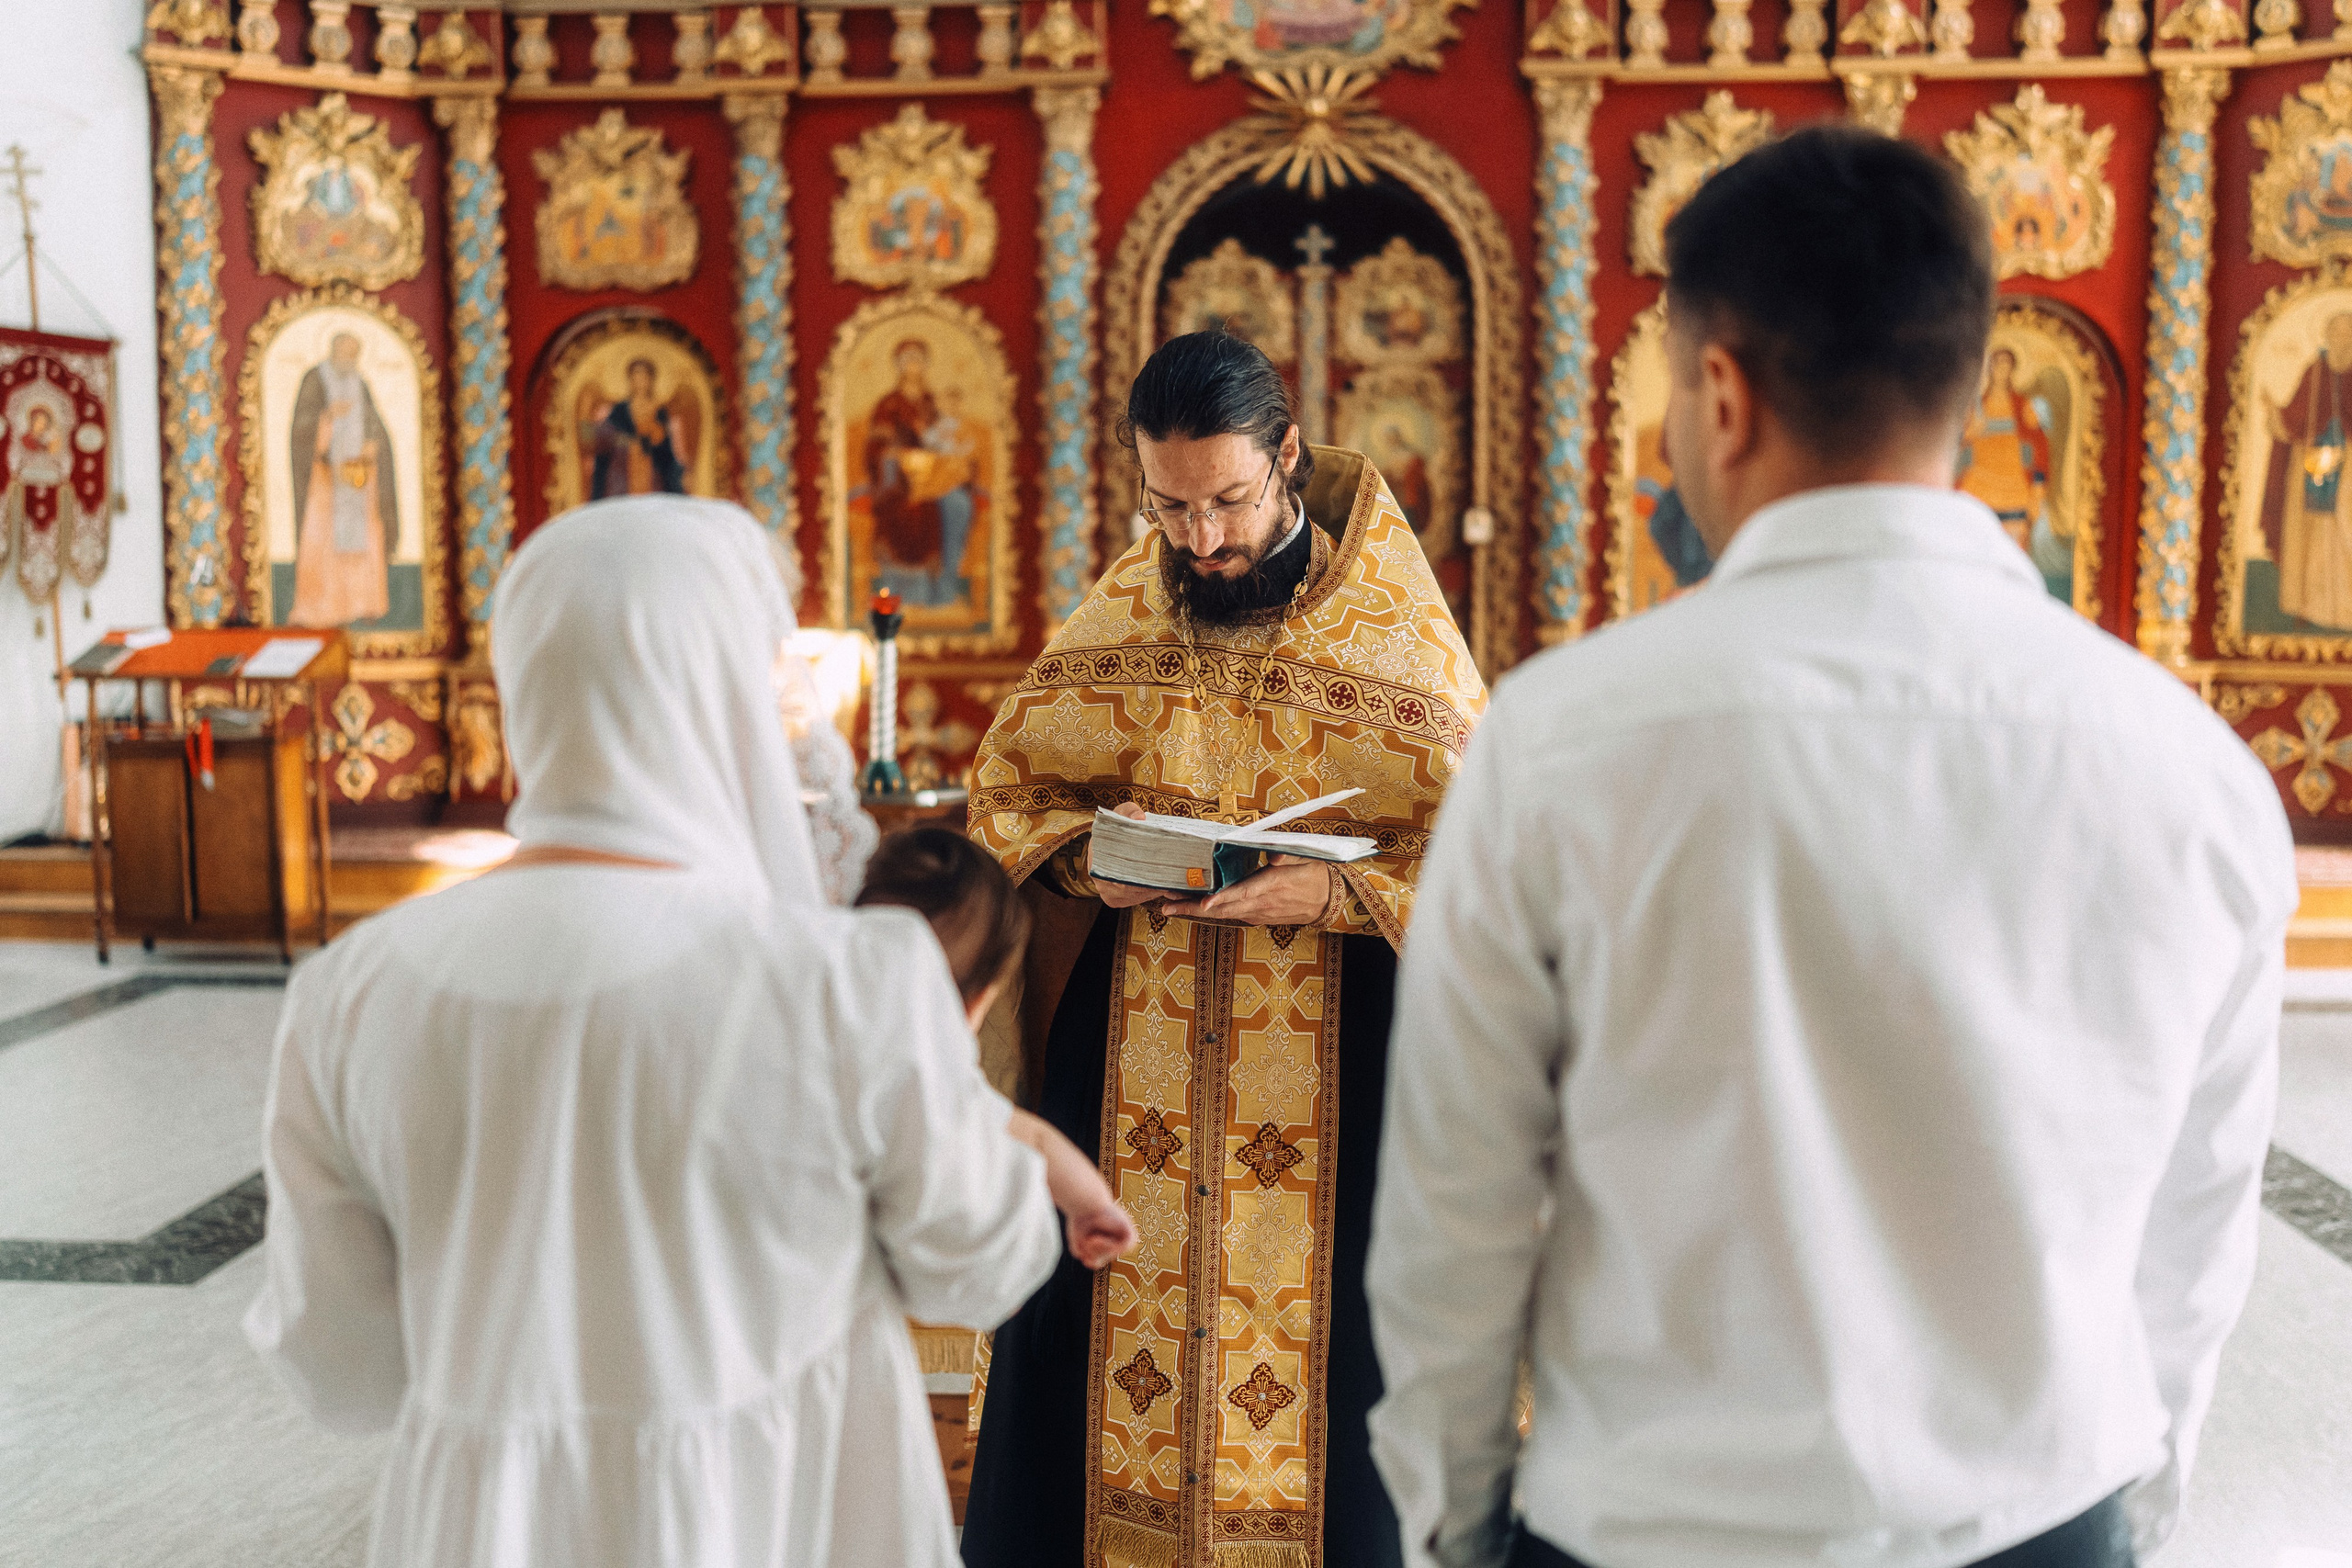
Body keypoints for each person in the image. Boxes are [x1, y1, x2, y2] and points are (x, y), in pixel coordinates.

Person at [1366, 125, 2296, 1568]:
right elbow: (2197, 1234)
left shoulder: (1557, 743)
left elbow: (1457, 1211)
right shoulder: (2194, 771)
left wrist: (1454, 1512)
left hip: (1645, 1527)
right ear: (1974, 381)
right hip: (2038, 1516)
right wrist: (2126, 1502)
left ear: (1721, 394)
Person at [244, 495, 1063, 1568]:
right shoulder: (846, 981)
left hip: (483, 1529)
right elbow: (980, 1266)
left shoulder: (350, 989)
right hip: (778, 1516)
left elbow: (338, 1362)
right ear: (724, 692)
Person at [960, 330, 1487, 1568]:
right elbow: (1004, 795)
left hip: (1339, 1109)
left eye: (1230, 501)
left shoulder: (1395, 636)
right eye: (1171, 505)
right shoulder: (1128, 610)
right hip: (1132, 1087)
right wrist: (1090, 855)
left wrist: (1334, 895)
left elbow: (1492, 855)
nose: (1201, 539)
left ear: (1289, 457)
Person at [288, 331, 396, 627]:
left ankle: (363, 603)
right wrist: (327, 419)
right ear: (335, 351)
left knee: (364, 536)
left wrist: (373, 444)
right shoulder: (315, 380)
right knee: (325, 539)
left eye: (355, 356)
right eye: (347, 354)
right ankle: (325, 608)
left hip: (358, 476)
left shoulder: (359, 383)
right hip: (325, 480)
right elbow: (301, 427)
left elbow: (374, 422)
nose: (351, 361)